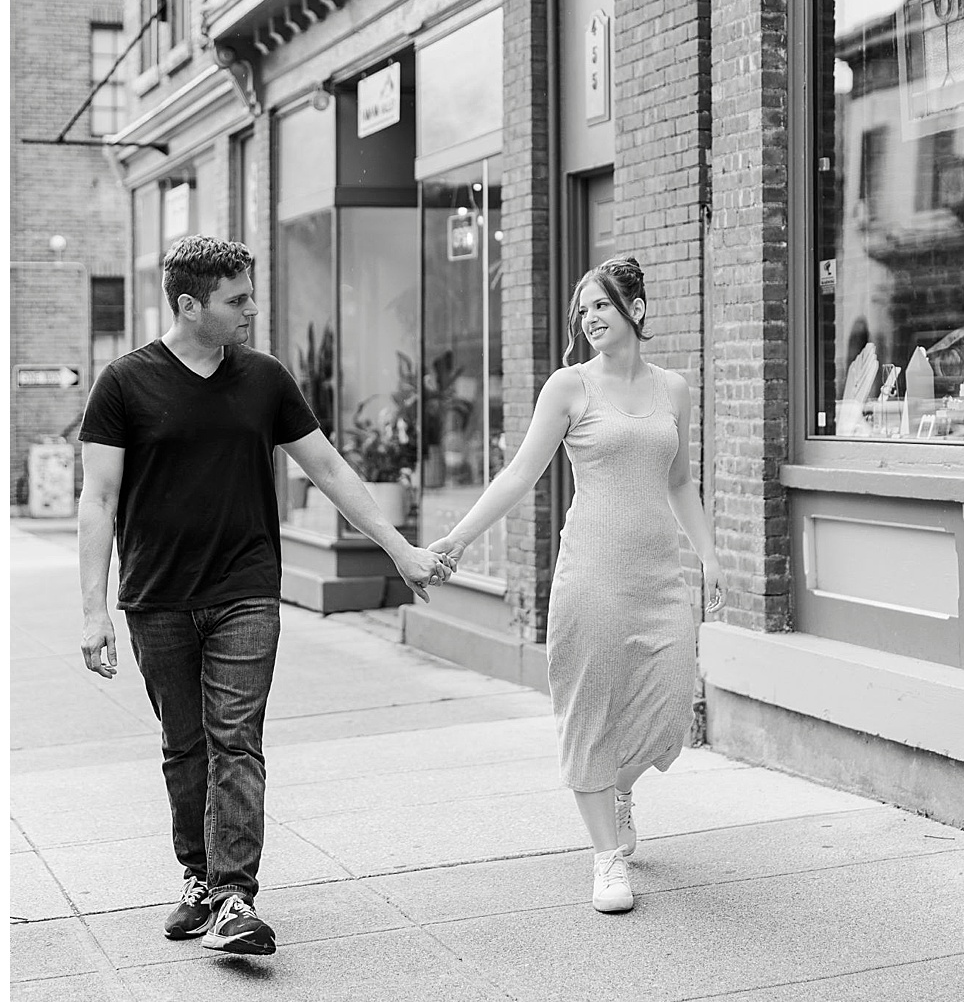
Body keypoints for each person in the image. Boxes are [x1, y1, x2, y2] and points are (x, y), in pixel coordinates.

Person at [78, 236, 456, 958]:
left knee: (237, 743)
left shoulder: (266, 378)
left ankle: (233, 897)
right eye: (237, 299)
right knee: (184, 747)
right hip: (156, 598)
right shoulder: (124, 383)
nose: (253, 308)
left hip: (247, 589)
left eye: (251, 294)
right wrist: (93, 610)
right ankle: (198, 877)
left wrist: (399, 548)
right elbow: (98, 499)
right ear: (190, 306)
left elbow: (332, 471)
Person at [430, 256, 720, 914]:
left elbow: (679, 482)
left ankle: (616, 789)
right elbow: (517, 476)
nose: (589, 318)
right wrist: (458, 538)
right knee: (590, 712)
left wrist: (709, 556)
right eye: (583, 309)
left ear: (636, 311)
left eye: (603, 306)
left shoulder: (674, 390)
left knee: (673, 712)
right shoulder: (569, 387)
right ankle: (606, 858)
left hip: (660, 574)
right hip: (591, 572)